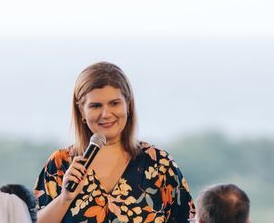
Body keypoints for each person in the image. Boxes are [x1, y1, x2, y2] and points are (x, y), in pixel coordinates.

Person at [35, 62, 195, 223]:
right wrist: (65, 199)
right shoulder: (60, 164)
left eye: (114, 103)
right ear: (81, 111)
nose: (106, 114)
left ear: (128, 105)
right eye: (96, 106)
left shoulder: (160, 164)